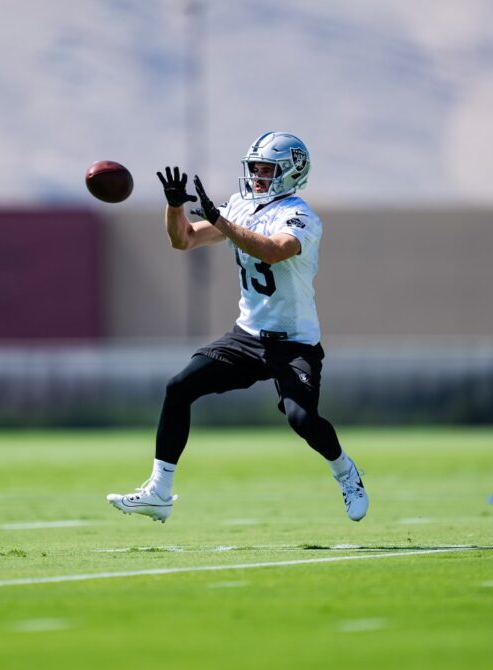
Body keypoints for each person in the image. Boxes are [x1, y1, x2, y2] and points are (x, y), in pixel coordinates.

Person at [106, 132, 367, 523]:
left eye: (267, 169)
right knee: (179, 387)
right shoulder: (240, 206)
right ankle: (159, 491)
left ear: (290, 173)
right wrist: (174, 206)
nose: (258, 176)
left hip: (293, 342)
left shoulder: (301, 215)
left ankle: (346, 472)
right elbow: (184, 241)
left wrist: (219, 219)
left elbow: (273, 250)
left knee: (302, 420)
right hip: (247, 336)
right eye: (255, 168)